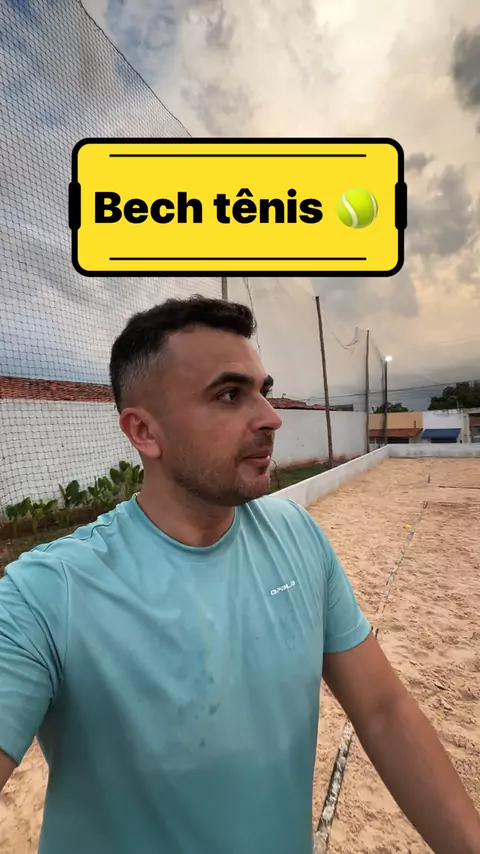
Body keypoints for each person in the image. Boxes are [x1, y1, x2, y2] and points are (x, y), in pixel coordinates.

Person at [0, 296, 478, 854]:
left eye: (263, 391)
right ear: (144, 432)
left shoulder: (298, 536)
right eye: (230, 395)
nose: (271, 418)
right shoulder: (45, 593)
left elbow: (383, 711)